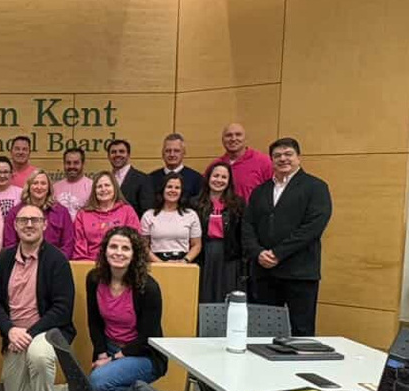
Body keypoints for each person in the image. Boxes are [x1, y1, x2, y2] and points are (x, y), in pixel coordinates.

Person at [0, 204, 75, 391]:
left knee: (39, 356)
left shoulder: (57, 260)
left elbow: (62, 309)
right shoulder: (5, 259)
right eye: (23, 220)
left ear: (44, 224)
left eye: (35, 220)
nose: (29, 225)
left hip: (47, 332)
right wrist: (10, 330)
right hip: (15, 335)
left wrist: (30, 333)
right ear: (15, 225)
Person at [243, 138, 332, 336]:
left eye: (288, 154)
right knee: (263, 333)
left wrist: (278, 253)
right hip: (264, 273)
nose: (283, 159)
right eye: (277, 156)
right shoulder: (260, 191)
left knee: (302, 331)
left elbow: (313, 227)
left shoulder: (316, 187)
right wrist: (258, 253)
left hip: (299, 273)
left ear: (298, 158)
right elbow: (247, 226)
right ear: (271, 160)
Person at [86, 227, 168, 391]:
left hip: (143, 354)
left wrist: (112, 360)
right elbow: (94, 322)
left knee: (97, 382)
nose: (118, 253)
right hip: (108, 347)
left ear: (134, 255)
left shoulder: (148, 288)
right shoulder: (94, 279)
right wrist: (101, 354)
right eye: (113, 247)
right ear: (105, 251)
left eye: (125, 248)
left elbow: (148, 338)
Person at [194, 162, 245, 303]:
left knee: (226, 294)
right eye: (215, 176)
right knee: (204, 293)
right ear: (208, 177)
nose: (219, 180)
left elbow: (243, 234)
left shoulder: (237, 203)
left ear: (229, 182)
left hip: (229, 255)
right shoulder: (194, 203)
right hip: (203, 254)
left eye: (224, 177)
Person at [4, 170, 74, 259]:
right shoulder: (15, 212)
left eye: (43, 183)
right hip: (23, 263)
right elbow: (10, 244)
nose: (39, 187)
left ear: (49, 188)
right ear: (28, 187)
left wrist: (57, 262)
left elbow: (68, 244)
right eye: (35, 183)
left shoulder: (62, 212)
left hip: (55, 263)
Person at [72, 171, 141, 261]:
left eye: (107, 185)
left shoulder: (127, 211)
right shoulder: (83, 214)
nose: (103, 189)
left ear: (115, 188)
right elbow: (79, 247)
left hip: (121, 263)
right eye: (99, 186)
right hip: (90, 264)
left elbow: (135, 242)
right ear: (94, 191)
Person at [139, 173, 202, 263]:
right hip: (156, 263)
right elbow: (143, 246)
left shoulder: (191, 215)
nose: (173, 190)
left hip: (183, 263)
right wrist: (161, 264)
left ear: (182, 192)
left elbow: (197, 245)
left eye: (177, 188)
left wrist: (184, 261)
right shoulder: (148, 215)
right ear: (162, 189)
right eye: (169, 187)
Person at [210, 123, 273, 202]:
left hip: (253, 213)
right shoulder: (216, 165)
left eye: (238, 135)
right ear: (222, 140)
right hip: (223, 213)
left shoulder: (264, 162)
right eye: (228, 135)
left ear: (245, 139)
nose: (233, 139)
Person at [147, 134, 203, 202]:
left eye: (176, 151)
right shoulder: (150, 179)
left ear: (184, 153)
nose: (172, 154)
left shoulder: (196, 179)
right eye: (168, 151)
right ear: (162, 153)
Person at [107, 139, 153, 216]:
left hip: (132, 227)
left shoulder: (143, 179)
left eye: (121, 151)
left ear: (128, 155)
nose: (117, 154)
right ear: (108, 156)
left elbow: (147, 213)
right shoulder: (105, 180)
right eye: (113, 152)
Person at [52, 147, 92, 220]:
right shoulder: (55, 188)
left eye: (76, 163)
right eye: (68, 163)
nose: (71, 166)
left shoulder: (92, 186)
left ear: (83, 164)